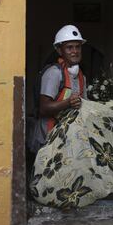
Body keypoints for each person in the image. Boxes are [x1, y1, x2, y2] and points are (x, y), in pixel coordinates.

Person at [29, 25, 87, 153]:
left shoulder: (81, 76)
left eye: (78, 47)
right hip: (48, 138)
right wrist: (68, 103)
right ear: (60, 51)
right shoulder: (54, 73)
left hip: (67, 139)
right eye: (69, 47)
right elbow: (44, 108)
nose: (75, 51)